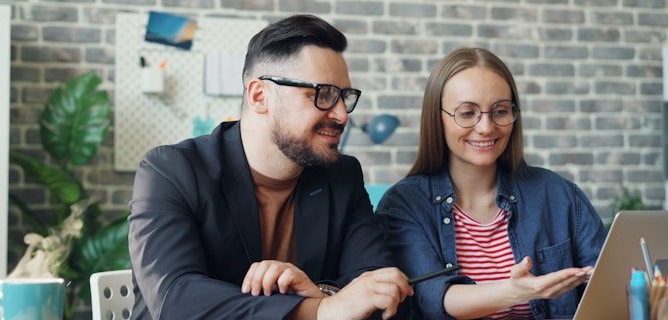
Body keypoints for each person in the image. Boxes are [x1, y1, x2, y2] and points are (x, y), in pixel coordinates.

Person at [128, 14, 413, 320]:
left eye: (344, 96)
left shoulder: (341, 175)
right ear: (259, 96)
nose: (342, 114)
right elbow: (176, 299)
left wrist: (323, 294)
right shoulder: (171, 171)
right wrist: (319, 311)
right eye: (323, 94)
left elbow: (378, 289)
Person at [375, 47, 607, 320]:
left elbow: (611, 285)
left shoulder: (559, 195)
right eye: (467, 113)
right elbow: (432, 297)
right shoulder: (404, 205)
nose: (486, 127)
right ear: (438, 119)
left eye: (499, 111)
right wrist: (517, 291)